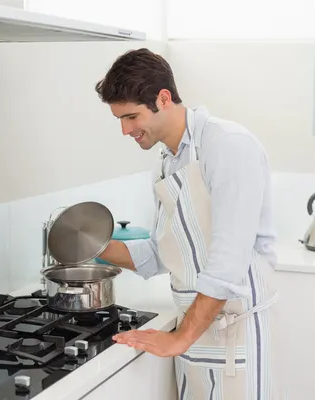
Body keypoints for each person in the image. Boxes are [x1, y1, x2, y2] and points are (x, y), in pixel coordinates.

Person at [95, 48, 279, 400]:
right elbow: (160, 252)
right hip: (194, 331)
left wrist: (180, 337)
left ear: (163, 99)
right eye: (119, 119)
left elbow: (227, 263)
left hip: (233, 334)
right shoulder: (167, 161)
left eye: (131, 117)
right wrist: (92, 246)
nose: (125, 130)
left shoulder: (227, 146)